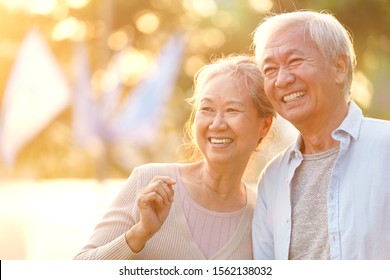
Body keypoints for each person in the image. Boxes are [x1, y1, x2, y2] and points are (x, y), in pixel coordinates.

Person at [74, 54, 275, 260]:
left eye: (232, 110)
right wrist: (141, 232)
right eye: (206, 109)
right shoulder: (147, 182)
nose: (216, 124)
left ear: (265, 125)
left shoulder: (262, 217)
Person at [251, 10, 390, 260]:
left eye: (294, 62)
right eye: (270, 69)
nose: (282, 79)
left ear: (338, 67)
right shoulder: (272, 178)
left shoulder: (385, 147)